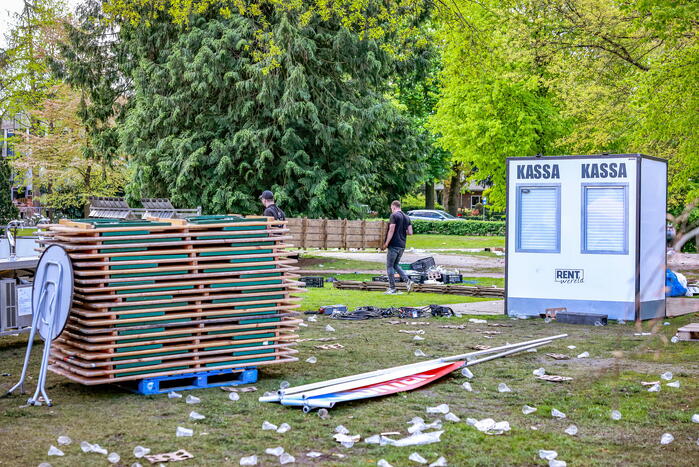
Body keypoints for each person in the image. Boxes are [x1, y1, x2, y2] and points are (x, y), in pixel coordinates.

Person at [382, 200, 414, 294]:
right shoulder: (407, 217)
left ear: (394, 207)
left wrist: (386, 243)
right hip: (402, 245)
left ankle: (392, 288)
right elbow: (410, 233)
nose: (391, 210)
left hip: (394, 244)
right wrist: (402, 230)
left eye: (392, 208)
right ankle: (408, 281)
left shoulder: (394, 216)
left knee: (390, 266)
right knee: (395, 265)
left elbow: (391, 230)